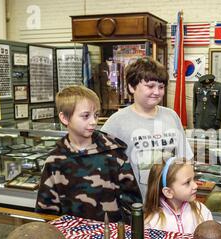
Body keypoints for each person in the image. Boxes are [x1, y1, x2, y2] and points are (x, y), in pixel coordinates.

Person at [36, 85, 142, 223]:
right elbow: (46, 211)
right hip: (71, 237)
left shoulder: (114, 153)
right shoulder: (55, 161)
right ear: (64, 118)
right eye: (85, 116)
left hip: (113, 236)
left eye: (96, 115)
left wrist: (124, 234)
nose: (93, 121)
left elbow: (132, 203)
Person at [101, 57, 193, 201]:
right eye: (150, 86)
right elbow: (105, 170)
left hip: (170, 204)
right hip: (135, 206)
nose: (156, 92)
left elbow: (184, 159)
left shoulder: (171, 116)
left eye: (161, 87)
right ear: (132, 87)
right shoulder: (116, 122)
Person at [144, 157, 213, 234]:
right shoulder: (152, 222)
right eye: (187, 182)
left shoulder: (201, 211)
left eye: (194, 178)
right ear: (168, 192)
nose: (195, 186)